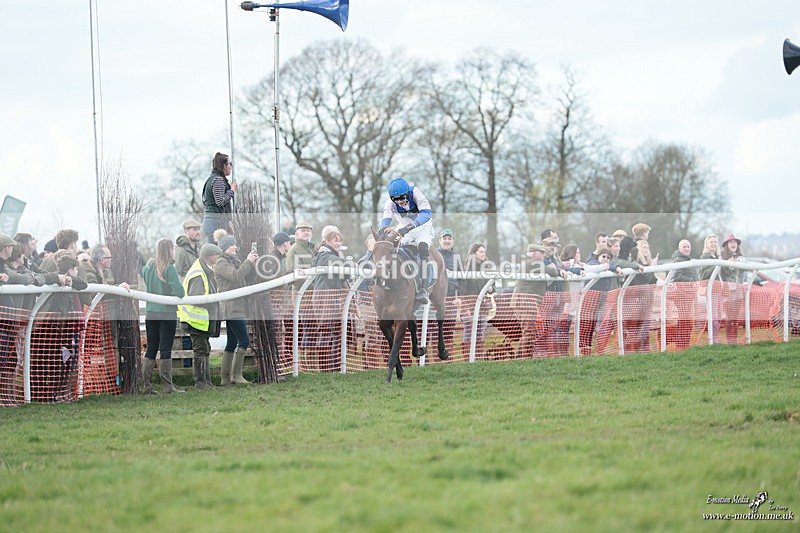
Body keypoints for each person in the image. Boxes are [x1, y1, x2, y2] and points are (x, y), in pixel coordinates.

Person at [378, 178, 435, 305]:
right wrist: (382, 229)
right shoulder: (390, 202)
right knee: (390, 246)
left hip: (423, 227)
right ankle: (386, 279)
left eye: (402, 198)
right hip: (404, 227)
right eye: (396, 199)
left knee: (423, 248)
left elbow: (426, 214)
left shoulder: (416, 193)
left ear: (407, 194)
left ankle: (424, 289)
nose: (399, 202)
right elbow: (386, 216)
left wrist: (409, 227)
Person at [213, 232, 258, 385]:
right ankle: (236, 376)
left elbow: (245, 279)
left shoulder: (233, 260)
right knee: (244, 340)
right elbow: (235, 276)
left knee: (232, 342)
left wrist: (252, 264)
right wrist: (247, 261)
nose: (235, 247)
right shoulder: (221, 263)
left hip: (237, 306)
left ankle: (225, 379)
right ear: (224, 247)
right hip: (231, 307)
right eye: (232, 244)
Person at [142, 239, 186, 394]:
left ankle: (147, 386)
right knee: (165, 348)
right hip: (167, 313)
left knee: (151, 348)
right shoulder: (169, 268)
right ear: (170, 250)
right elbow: (179, 292)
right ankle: (168, 386)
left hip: (151, 312)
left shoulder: (148, 267)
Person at [177, 243, 222, 389]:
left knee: (204, 349)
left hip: (200, 320)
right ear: (210, 257)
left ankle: (206, 382)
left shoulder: (203, 269)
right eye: (216, 255)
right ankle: (201, 383)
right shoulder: (198, 273)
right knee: (201, 351)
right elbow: (197, 298)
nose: (218, 257)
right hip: (196, 320)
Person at [310, 225, 350, 372]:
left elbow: (343, 275)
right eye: (335, 240)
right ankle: (325, 368)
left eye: (339, 240)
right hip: (324, 298)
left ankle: (333, 367)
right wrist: (348, 263)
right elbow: (340, 264)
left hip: (332, 297)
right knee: (325, 331)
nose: (338, 243)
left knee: (334, 332)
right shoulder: (324, 255)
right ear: (326, 241)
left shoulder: (334, 255)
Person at [461, 243, 493, 356]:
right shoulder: (467, 268)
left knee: (480, 333)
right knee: (469, 332)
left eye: (484, 251)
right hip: (470, 305)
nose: (484, 254)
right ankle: (467, 357)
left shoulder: (487, 267)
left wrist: (491, 288)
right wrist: (464, 307)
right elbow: (463, 288)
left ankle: (477, 356)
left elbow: (493, 284)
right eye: (481, 251)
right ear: (473, 254)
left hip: (483, 305)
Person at [666, 239, 699, 350]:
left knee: (685, 319)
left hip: (688, 294)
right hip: (682, 295)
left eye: (688, 247)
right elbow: (677, 277)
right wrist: (691, 281)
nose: (686, 249)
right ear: (679, 249)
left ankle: (683, 343)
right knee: (684, 320)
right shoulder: (679, 260)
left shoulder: (687, 260)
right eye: (684, 247)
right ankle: (681, 343)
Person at [201, 152, 236, 244]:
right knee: (216, 254)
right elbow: (220, 201)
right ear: (224, 166)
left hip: (213, 222)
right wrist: (231, 190)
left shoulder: (213, 178)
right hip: (215, 224)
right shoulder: (218, 180)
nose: (231, 167)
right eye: (230, 164)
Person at [720, 233, 745, 344]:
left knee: (736, 316)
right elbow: (721, 273)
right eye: (731, 242)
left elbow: (747, 268)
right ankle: (730, 340)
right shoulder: (722, 258)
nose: (733, 244)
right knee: (729, 317)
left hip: (739, 291)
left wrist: (740, 262)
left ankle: (734, 339)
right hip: (728, 291)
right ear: (727, 245)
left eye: (735, 242)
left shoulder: (741, 258)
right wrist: (727, 263)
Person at [699, 233, 721, 342]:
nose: (713, 244)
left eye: (715, 242)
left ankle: (715, 337)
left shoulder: (718, 257)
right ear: (707, 244)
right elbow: (703, 275)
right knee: (713, 314)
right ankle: (713, 338)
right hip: (711, 289)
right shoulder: (704, 257)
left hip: (719, 289)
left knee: (718, 314)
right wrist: (716, 265)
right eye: (711, 242)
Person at [285, 221, 315, 293]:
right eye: (303, 230)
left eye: (308, 231)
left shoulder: (311, 249)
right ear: (296, 234)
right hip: (301, 295)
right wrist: (315, 288)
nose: (306, 233)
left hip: (313, 294)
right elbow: (294, 276)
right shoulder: (294, 250)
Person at [436, 229, 464, 298]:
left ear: (453, 241)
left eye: (449, 239)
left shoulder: (458, 257)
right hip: (435, 298)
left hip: (453, 299)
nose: (447, 241)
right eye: (444, 238)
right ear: (440, 241)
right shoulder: (433, 255)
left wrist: (460, 298)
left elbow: (463, 281)